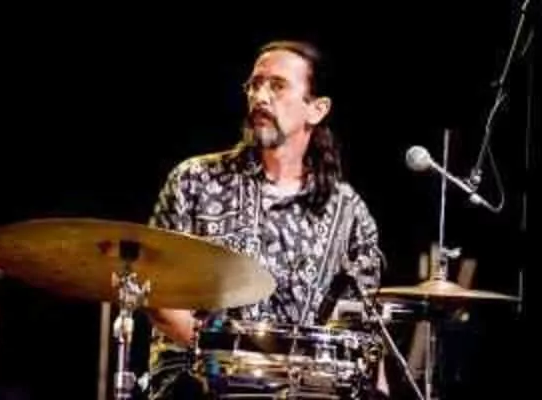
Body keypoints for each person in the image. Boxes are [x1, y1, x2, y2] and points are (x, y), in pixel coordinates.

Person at [145, 39, 387, 399]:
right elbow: (157, 293)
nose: (260, 96)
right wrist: (234, 361)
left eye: (277, 86)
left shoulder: (349, 212)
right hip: (199, 381)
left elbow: (361, 329)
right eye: (254, 84)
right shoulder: (195, 181)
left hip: (302, 389)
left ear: (317, 109)